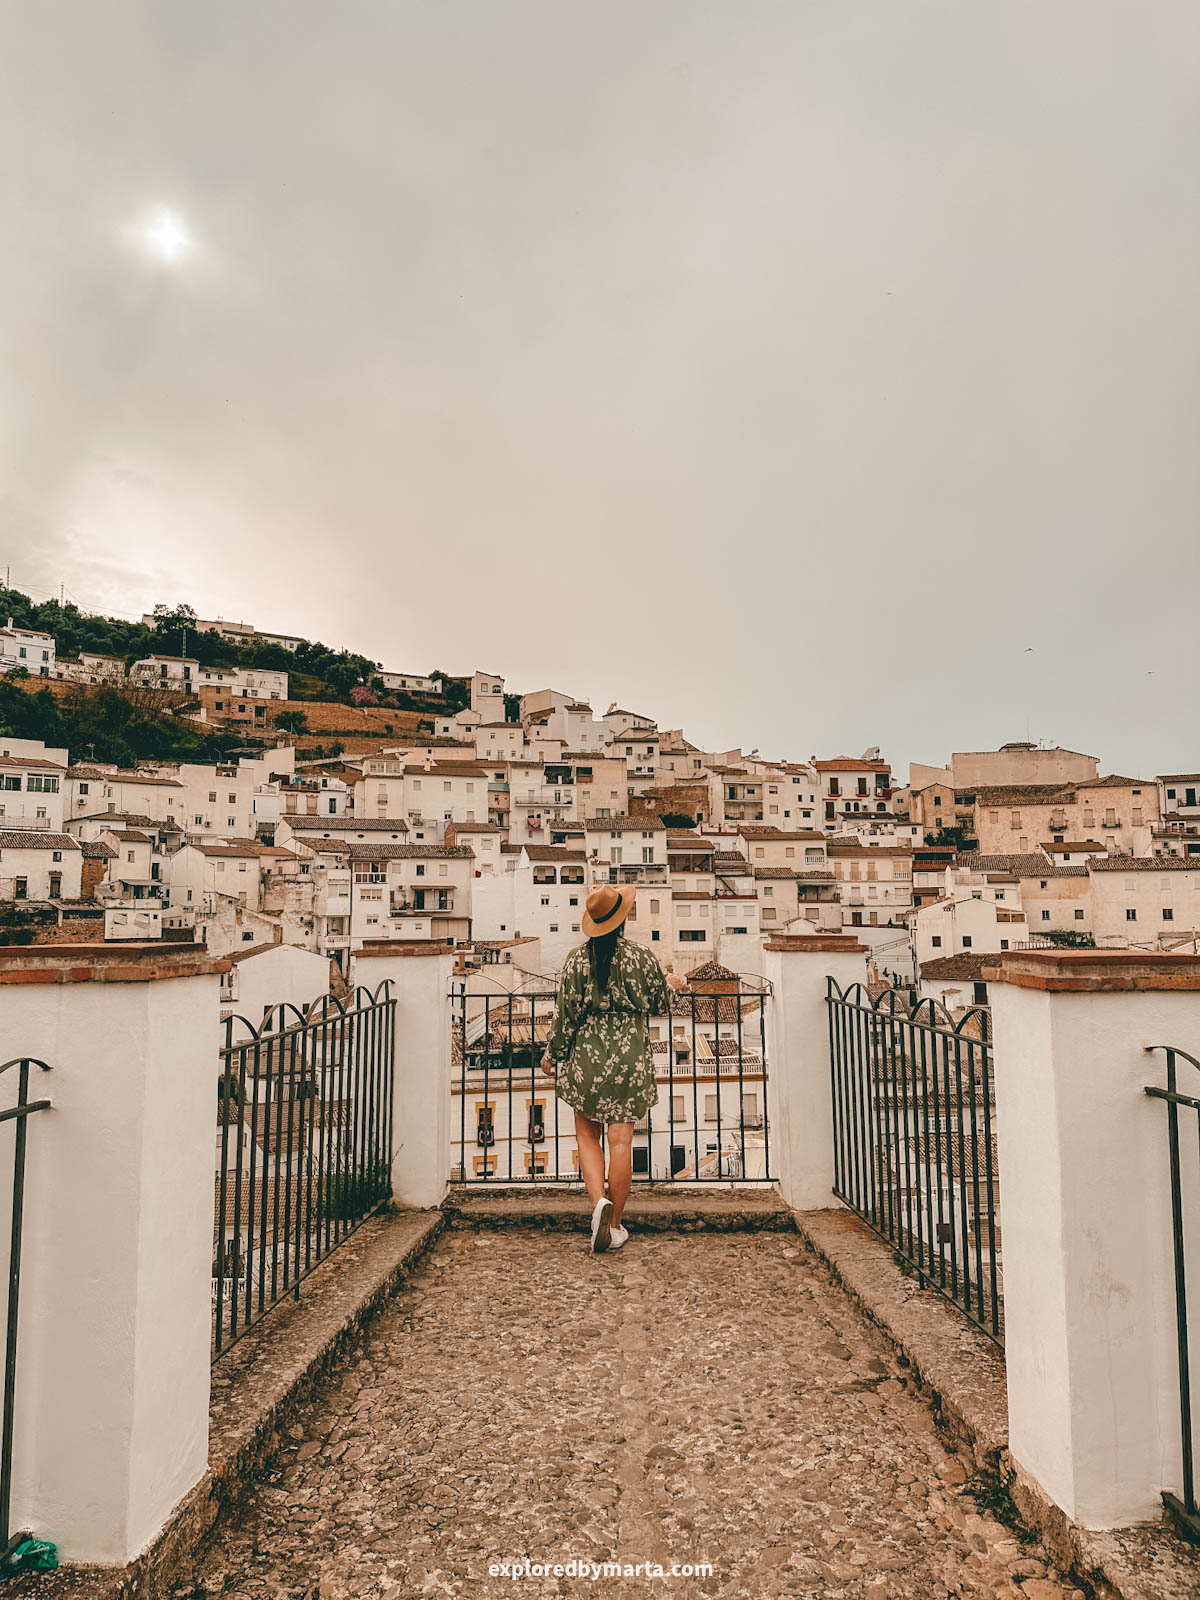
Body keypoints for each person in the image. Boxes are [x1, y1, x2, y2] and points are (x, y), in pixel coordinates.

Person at [541, 884, 685, 1253]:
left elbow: (564, 1019)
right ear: (622, 920)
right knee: (621, 1142)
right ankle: (616, 1224)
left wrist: (551, 1056)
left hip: (586, 1059)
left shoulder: (575, 961)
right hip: (629, 1060)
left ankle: (598, 1206)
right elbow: (660, 1003)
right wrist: (675, 983)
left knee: (587, 1138)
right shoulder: (641, 957)